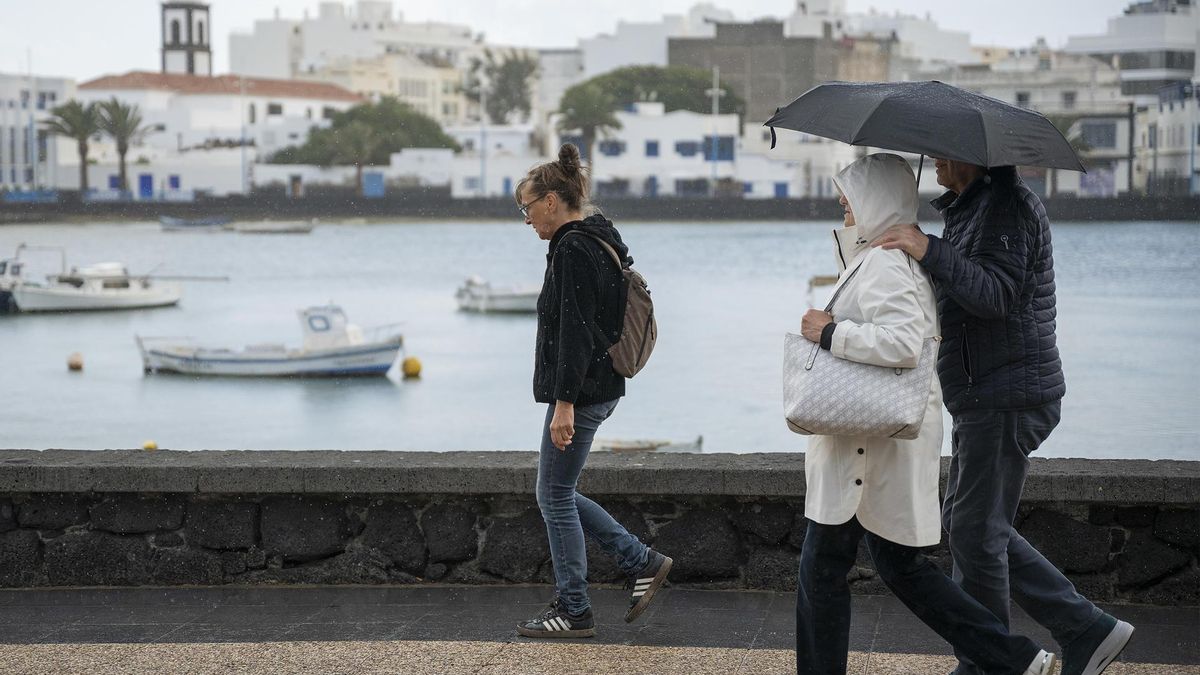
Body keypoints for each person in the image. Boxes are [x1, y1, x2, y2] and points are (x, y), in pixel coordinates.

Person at [796, 153, 1056, 675]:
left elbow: (904, 343)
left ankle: (1017, 659)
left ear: (874, 200)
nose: (842, 203)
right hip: (868, 444)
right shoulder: (878, 256)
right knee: (891, 568)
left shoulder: (887, 262)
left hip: (869, 450)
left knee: (831, 571)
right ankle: (1016, 660)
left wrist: (828, 332)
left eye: (850, 194)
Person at [873, 159, 1135, 675]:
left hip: (1007, 392)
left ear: (968, 156)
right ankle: (1083, 628)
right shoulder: (976, 208)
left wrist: (929, 249)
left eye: (943, 152)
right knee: (971, 525)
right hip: (988, 390)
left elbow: (994, 295)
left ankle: (991, 663)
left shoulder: (1006, 207)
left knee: (974, 531)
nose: (936, 163)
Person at [514, 143, 672, 639]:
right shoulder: (596, 241)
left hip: (581, 392)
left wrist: (564, 404)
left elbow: (575, 332)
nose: (527, 219)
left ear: (553, 201)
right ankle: (640, 561)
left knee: (554, 495)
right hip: (599, 385)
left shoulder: (572, 250)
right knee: (556, 491)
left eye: (527, 207)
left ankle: (576, 607)